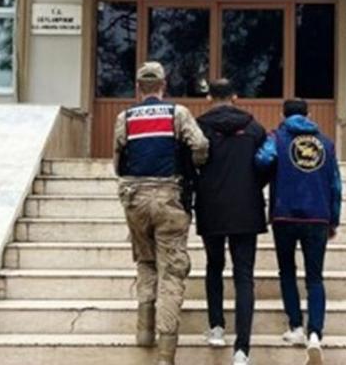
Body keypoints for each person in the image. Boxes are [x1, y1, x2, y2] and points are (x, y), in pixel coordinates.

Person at [114, 62, 209, 365]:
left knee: (145, 261)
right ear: (163, 85)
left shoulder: (125, 117)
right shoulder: (177, 113)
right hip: (169, 198)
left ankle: (144, 331)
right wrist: (195, 164)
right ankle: (166, 353)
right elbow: (200, 144)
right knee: (171, 272)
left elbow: (118, 161)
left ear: (138, 87)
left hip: (134, 199)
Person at [254, 99, 342, 365]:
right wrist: (333, 220)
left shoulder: (277, 138)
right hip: (318, 216)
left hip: (285, 215)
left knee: (287, 272)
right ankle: (315, 334)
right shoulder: (326, 144)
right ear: (309, 115)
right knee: (315, 277)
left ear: (283, 115)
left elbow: (262, 161)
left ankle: (295, 327)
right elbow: (336, 185)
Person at [194, 79, 268, 365]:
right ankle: (242, 350)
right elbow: (267, 163)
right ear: (235, 96)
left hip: (211, 207)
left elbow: (190, 164)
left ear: (209, 97)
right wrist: (254, 186)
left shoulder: (199, 127)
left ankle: (216, 328)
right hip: (247, 209)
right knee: (244, 276)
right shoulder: (254, 128)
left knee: (214, 266)